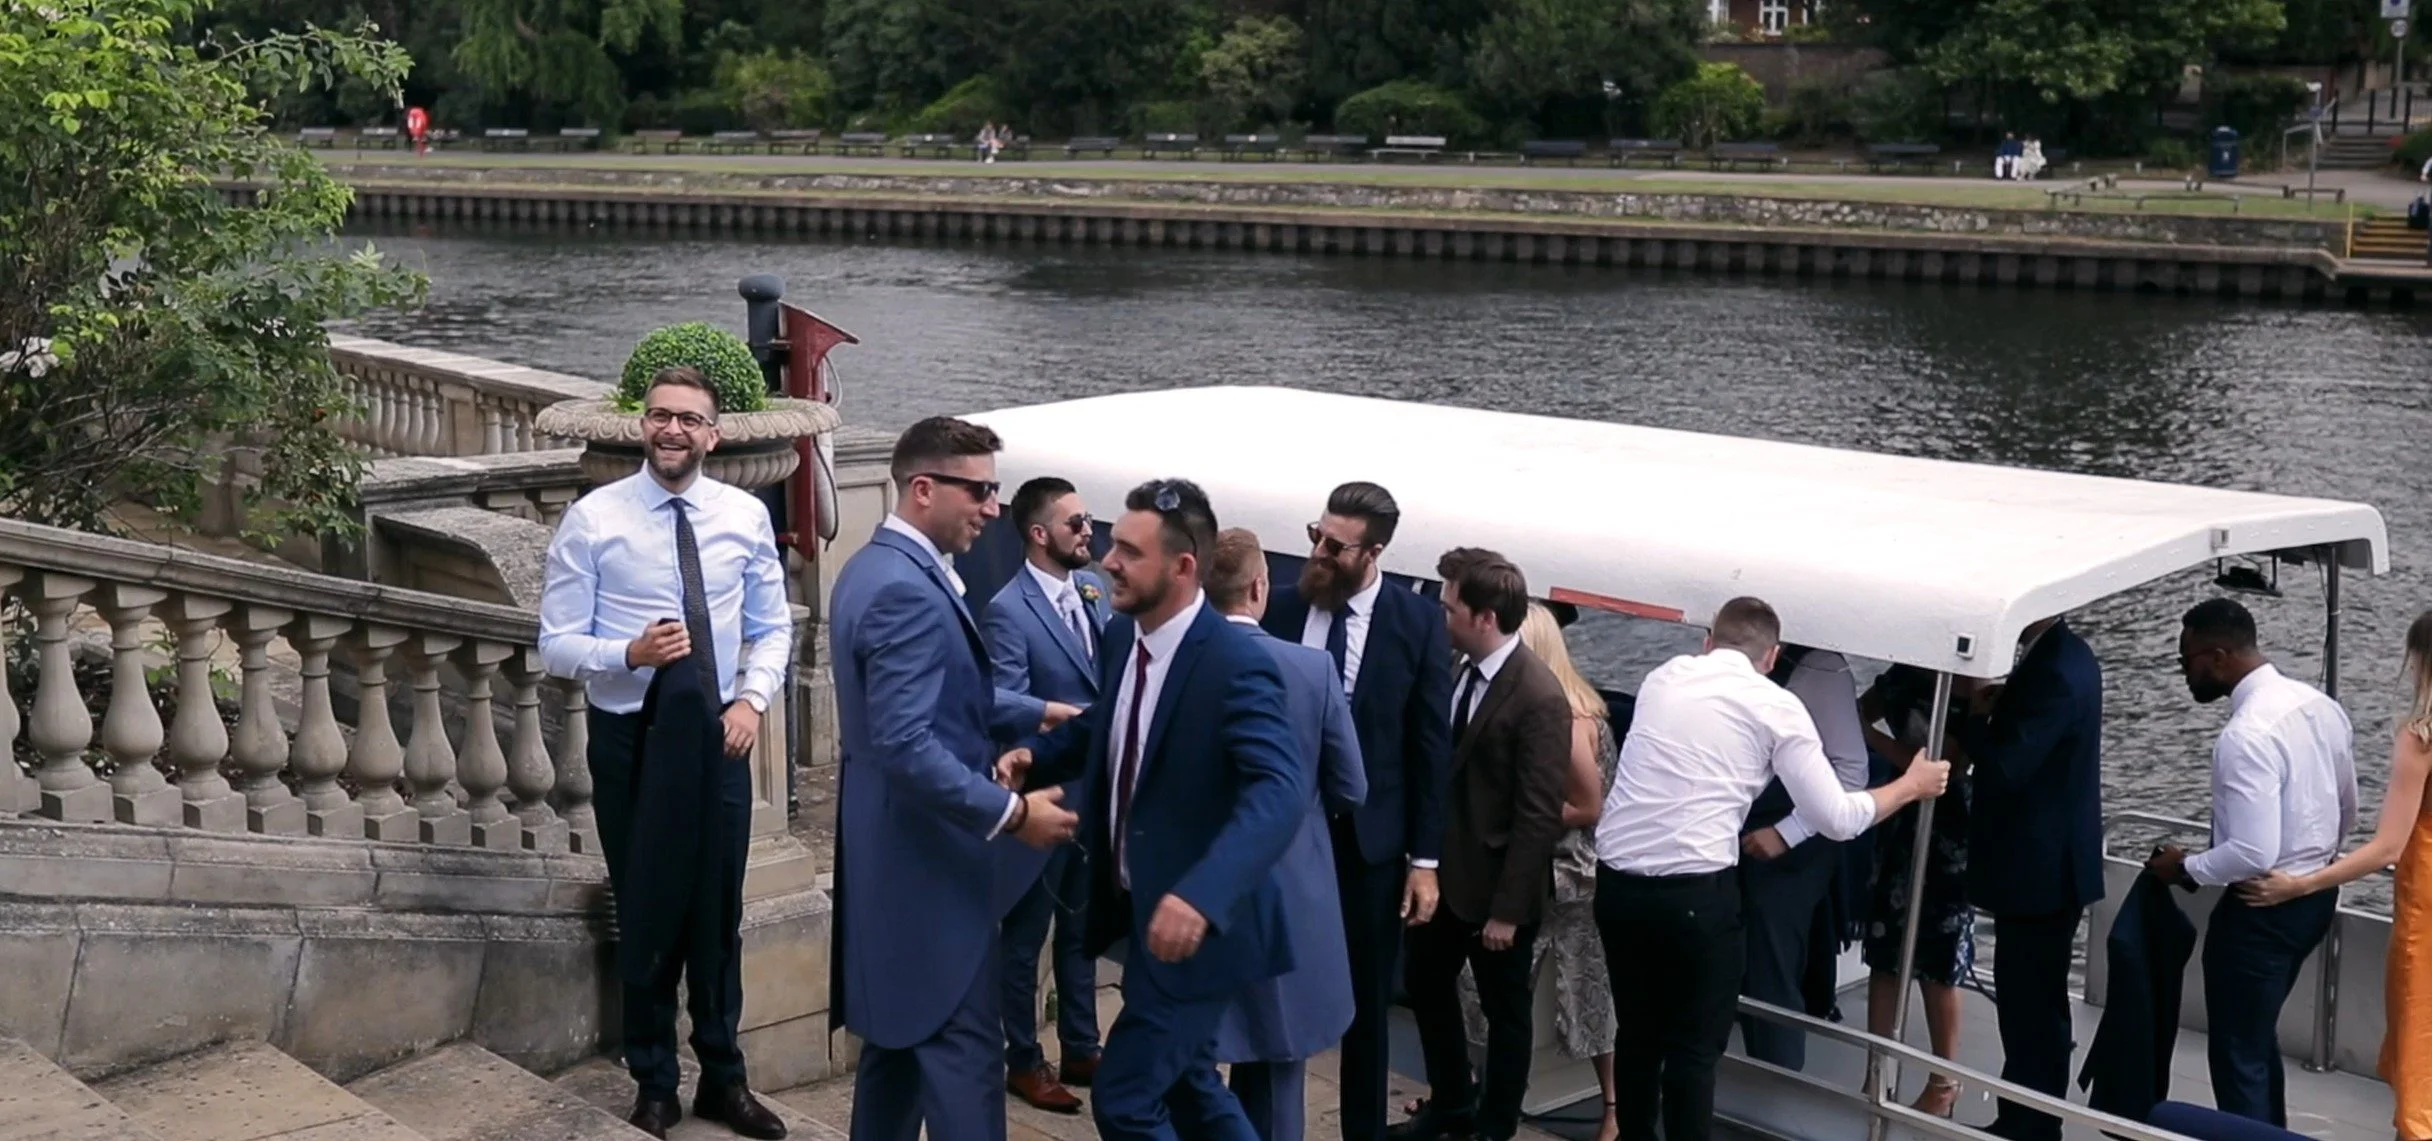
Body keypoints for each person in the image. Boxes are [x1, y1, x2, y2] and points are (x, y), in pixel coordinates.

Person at [1001, 478, 1309, 1141]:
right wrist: (1037, 757)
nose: (1109, 559)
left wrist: (1200, 896)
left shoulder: (1235, 664)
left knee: (1126, 1098)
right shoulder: (1122, 638)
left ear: (1183, 566)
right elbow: (1108, 724)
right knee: (1193, 1085)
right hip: (1146, 918)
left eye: (1131, 552)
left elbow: (1278, 790)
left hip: (1201, 929)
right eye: (1113, 544)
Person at [537, 366, 796, 1139]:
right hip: (631, 740)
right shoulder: (594, 519)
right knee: (646, 907)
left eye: (688, 418)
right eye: (659, 416)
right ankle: (653, 1082)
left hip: (719, 736)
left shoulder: (744, 515)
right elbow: (555, 645)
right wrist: (630, 652)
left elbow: (773, 623)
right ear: (641, 427)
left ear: (713, 435)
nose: (672, 429)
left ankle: (724, 1077)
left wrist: (752, 698)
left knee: (718, 913)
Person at [1595, 598, 1950, 1141]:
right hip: (1692, 893)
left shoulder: (1664, 678)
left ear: (1709, 642)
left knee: (1639, 1035)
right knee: (1693, 1051)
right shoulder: (1775, 705)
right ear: (1772, 655)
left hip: (1617, 883)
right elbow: (1837, 817)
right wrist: (1910, 785)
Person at [829, 417, 1080, 1141]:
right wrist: (1009, 812)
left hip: (893, 866)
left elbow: (934, 698)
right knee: (967, 1066)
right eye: (981, 490)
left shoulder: (873, 569)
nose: (995, 508)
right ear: (924, 488)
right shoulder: (906, 590)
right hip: (932, 873)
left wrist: (1036, 711)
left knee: (896, 1059)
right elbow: (905, 742)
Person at [1260, 481, 1453, 1141]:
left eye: (1334, 545)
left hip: (1369, 842)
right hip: (1283, 834)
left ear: (1373, 553)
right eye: (1316, 534)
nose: (1318, 551)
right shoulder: (1282, 610)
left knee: (1367, 1001)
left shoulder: (1416, 621)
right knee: (1267, 980)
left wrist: (1425, 860)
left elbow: (1431, 747)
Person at [2142, 599, 2356, 1127]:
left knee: (2238, 1053)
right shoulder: (2320, 705)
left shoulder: (2244, 736)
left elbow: (2252, 852)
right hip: (2314, 896)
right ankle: (2271, 1133)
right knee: (2257, 1042)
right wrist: (2309, 873)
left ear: (2217, 658)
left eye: (2185, 660)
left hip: (2262, 909)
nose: (2184, 672)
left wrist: (2184, 866)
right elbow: (2347, 811)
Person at [1396, 553, 1572, 1141]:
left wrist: (1508, 909)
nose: (1441, 616)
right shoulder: (1455, 668)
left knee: (1506, 1014)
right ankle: (1451, 1100)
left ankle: (1495, 1127)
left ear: (1486, 616)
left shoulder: (1538, 696)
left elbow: (1538, 812)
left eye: (1450, 608)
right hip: (1442, 876)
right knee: (1425, 984)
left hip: (1495, 887)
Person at [2241, 609, 2432, 1141]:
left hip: (2426, 919)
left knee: (2422, 1064)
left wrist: (2299, 884)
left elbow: (2387, 847)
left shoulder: (2420, 740)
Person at [1204, 527, 1368, 1141]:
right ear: (1259, 586)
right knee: (1278, 1067)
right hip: (1288, 892)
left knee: (1187, 1063)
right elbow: (1351, 785)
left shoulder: (1168, 662)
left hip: (1193, 891)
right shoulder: (1310, 670)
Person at [1454, 601, 1620, 1141]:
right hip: (1582, 869)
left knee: (1504, 990)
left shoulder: (1563, 716)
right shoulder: (1587, 708)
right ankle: (1609, 1108)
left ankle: (1485, 1093)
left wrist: (1520, 816)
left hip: (1561, 870)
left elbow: (1587, 807)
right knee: (1585, 992)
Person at [981, 477, 1106, 1113]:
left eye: (1087, 521)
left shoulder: (1095, 590)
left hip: (1096, 793)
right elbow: (997, 699)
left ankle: (1083, 1046)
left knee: (1084, 929)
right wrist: (1056, 711)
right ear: (1039, 534)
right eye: (1077, 523)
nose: (1090, 532)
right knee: (1027, 934)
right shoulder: (1008, 609)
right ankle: (1023, 1060)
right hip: (1044, 794)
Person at [1957, 614, 2104, 1141]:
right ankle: (2021, 1114)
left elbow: (2005, 770)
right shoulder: (2066, 655)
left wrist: (1975, 719)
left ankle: (2033, 1125)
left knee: (2032, 1009)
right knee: (2031, 1006)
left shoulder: (2057, 671)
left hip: (2042, 872)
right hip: (2048, 865)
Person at [1735, 645, 1869, 1072]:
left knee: (1770, 968)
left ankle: (1779, 1087)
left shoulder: (1817, 668)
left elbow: (1851, 773)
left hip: (1793, 836)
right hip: (1753, 828)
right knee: (1747, 959)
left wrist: (1787, 833)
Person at [1856, 664, 1977, 1117]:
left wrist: (1873, 739)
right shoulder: (1902, 674)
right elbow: (1861, 710)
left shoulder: (1970, 680)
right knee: (1884, 946)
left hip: (1951, 822)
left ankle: (1944, 1081)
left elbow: (1948, 762)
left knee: (1940, 952)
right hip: (1902, 813)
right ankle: (1877, 1069)